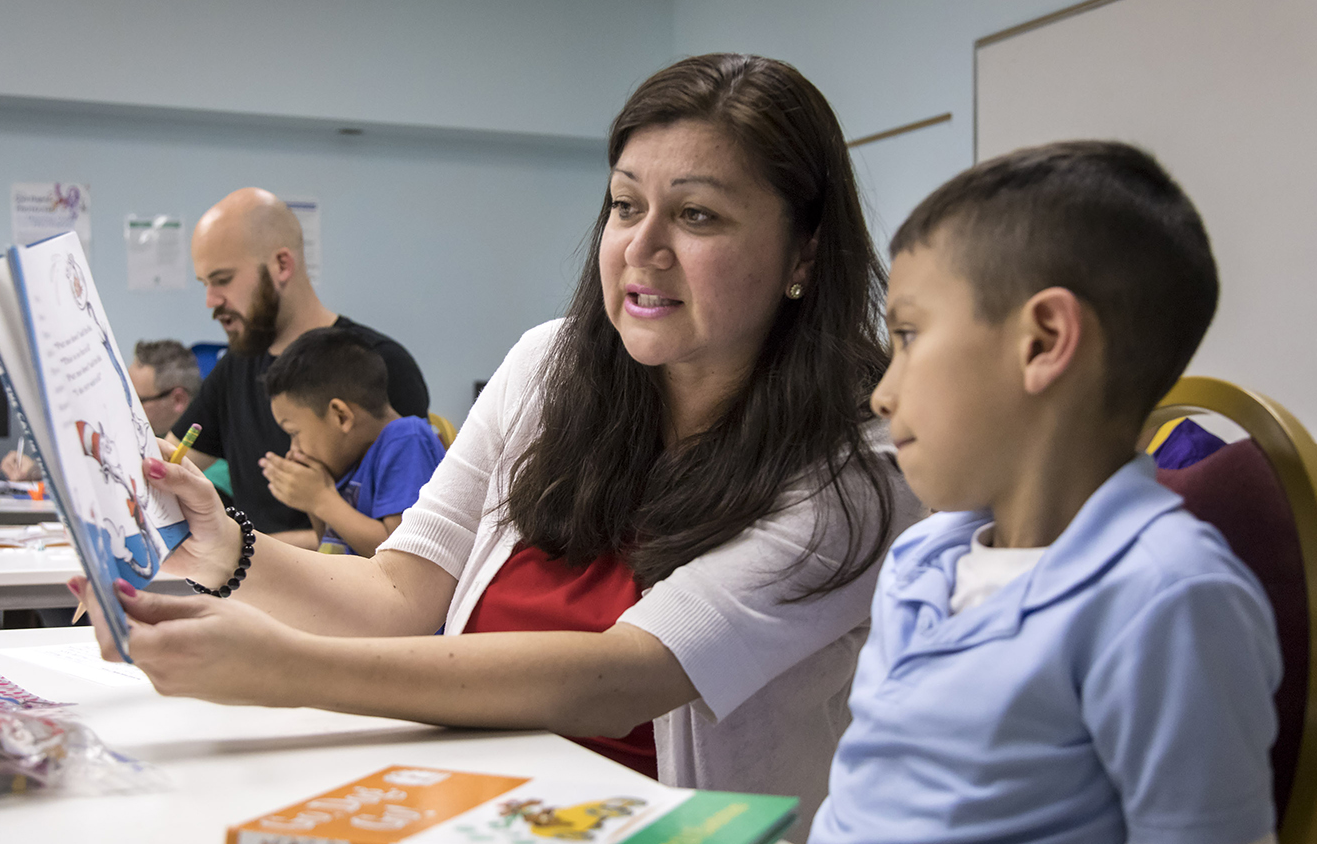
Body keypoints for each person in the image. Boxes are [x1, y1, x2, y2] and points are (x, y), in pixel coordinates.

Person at [75, 54, 921, 839]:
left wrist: (283, 670)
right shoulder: (549, 366)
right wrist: (224, 546)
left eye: (697, 215)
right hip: (473, 794)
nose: (642, 247)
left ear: (803, 252)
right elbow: (403, 591)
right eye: (626, 206)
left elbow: (629, 672)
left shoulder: (864, 460)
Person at [809, 142, 1280, 844]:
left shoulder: (1166, 596)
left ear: (1043, 341)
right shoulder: (920, 560)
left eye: (908, 335)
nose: (882, 393)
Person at [168, 188, 430, 550]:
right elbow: (173, 459)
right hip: (254, 573)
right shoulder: (236, 366)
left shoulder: (375, 365)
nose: (211, 301)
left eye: (223, 279)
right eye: (205, 284)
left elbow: (406, 538)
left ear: (282, 265)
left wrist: (253, 548)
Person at [259, 327, 445, 557]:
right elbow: (332, 549)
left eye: (294, 433)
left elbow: (401, 554)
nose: (293, 449)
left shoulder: (407, 439)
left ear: (341, 416)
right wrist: (313, 503)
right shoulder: (351, 464)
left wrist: (321, 500)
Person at [0, 339, 204, 481]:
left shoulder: (210, 457)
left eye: (137, 400)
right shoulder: (139, 438)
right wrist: (35, 471)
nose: (127, 410)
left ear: (178, 400)